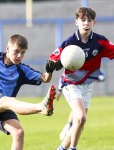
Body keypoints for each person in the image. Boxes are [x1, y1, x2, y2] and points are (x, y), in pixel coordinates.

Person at [0, 34, 57, 150]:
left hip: (4, 105)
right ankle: (41, 107)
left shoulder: (22, 69)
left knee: (18, 132)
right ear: (7, 49)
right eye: (16, 51)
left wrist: (50, 70)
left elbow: (45, 78)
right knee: (9, 101)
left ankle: (42, 108)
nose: (19, 56)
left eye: (23, 53)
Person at [46, 7, 114, 150]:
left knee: (79, 123)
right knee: (81, 117)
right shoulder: (69, 43)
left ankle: (61, 148)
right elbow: (52, 60)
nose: (86, 23)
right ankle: (73, 148)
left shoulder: (100, 42)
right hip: (71, 84)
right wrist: (56, 64)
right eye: (82, 20)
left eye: (89, 20)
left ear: (94, 23)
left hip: (88, 86)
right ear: (76, 22)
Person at [56, 70, 105, 141]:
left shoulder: (90, 62)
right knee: (78, 111)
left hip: (85, 90)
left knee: (79, 112)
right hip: (73, 88)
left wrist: (96, 78)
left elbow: (101, 76)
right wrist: (59, 90)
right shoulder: (73, 63)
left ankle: (69, 128)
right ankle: (68, 128)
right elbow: (64, 76)